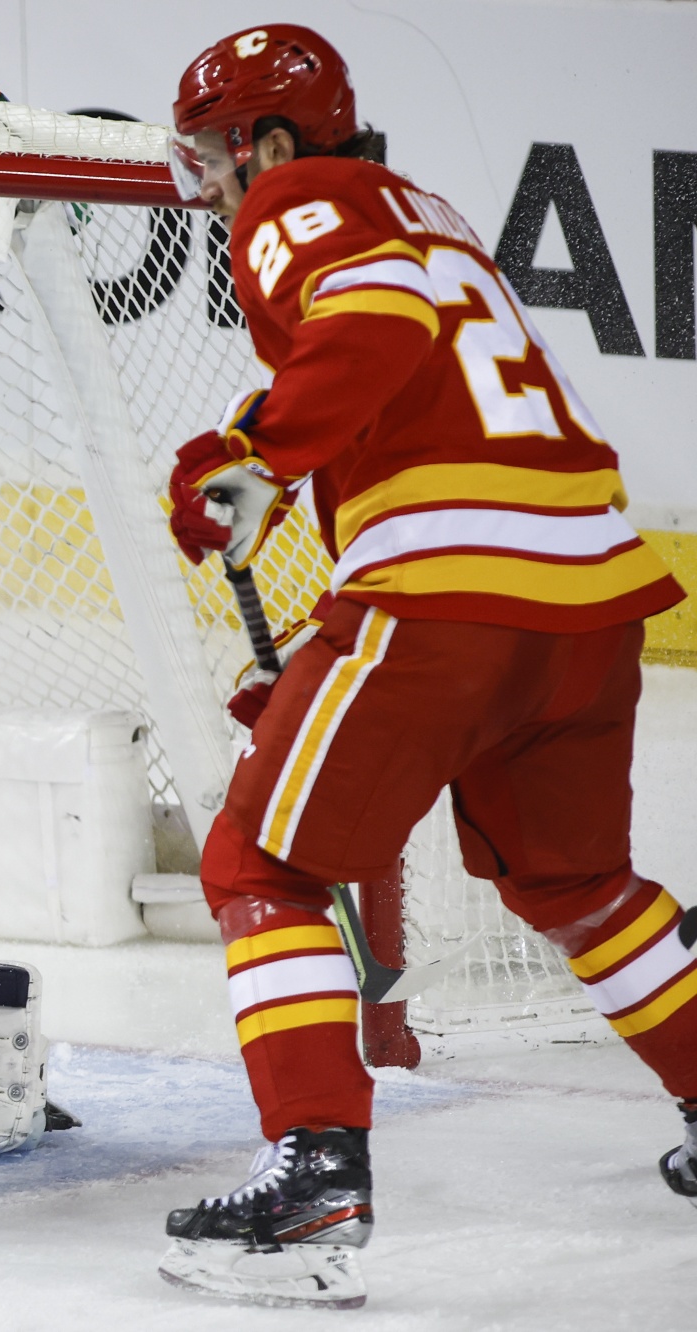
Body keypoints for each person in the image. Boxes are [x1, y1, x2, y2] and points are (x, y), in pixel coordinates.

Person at [157, 23, 695, 1309]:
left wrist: (253, 454)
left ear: (269, 143)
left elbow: (375, 328)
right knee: (575, 881)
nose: (211, 190)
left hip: (443, 603)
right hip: (587, 602)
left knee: (257, 864)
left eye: (214, 161)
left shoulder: (294, 198)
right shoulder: (427, 211)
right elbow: (419, 382)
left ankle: (312, 1174)